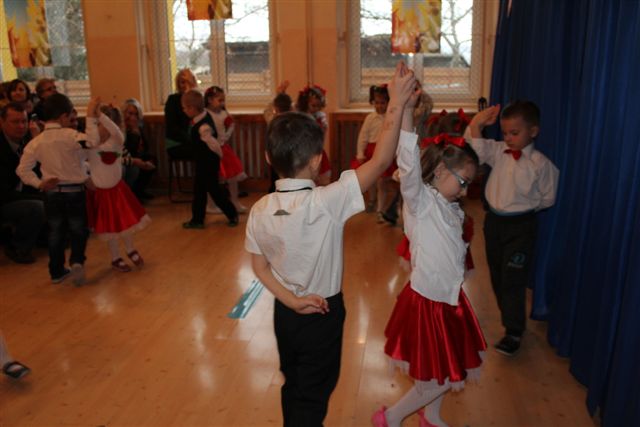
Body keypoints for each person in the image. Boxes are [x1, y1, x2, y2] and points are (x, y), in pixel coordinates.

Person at [245, 62, 417, 427]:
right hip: (323, 311)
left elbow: (259, 268)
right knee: (314, 392)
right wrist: (397, 103)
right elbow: (381, 161)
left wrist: (291, 300)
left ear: (268, 159)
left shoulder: (259, 209)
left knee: (294, 383)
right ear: (316, 160)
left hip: (285, 313)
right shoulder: (327, 202)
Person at [372, 114, 487, 427]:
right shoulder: (420, 202)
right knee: (439, 378)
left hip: (450, 300)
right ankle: (390, 418)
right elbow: (408, 163)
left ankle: (431, 416)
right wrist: (406, 111)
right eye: (462, 182)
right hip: (427, 304)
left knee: (446, 365)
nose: (465, 191)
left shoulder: (450, 207)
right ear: (439, 171)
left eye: (469, 184)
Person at [465, 100, 559, 356]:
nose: (508, 138)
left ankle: (514, 331)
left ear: (533, 131)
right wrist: (477, 123)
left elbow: (548, 198)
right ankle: (509, 319)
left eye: (514, 133)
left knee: (513, 279)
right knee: (497, 275)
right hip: (494, 224)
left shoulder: (541, 164)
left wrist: (523, 209)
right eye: (505, 132)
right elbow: (476, 150)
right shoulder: (498, 151)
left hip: (521, 226)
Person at [17, 94, 101, 285]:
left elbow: (22, 170)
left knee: (56, 232)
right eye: (70, 116)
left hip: (51, 194)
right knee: (78, 229)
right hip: (75, 192)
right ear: (63, 116)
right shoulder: (71, 136)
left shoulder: (36, 142)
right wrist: (90, 117)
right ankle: (77, 261)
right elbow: (92, 142)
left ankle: (56, 271)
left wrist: (39, 184)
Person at [85, 104, 150, 272]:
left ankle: (130, 249)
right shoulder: (91, 146)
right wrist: (92, 117)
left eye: (106, 126)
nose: (103, 130)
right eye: (99, 126)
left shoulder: (116, 142)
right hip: (102, 194)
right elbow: (89, 141)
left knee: (125, 222)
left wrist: (101, 116)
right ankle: (115, 257)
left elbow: (116, 132)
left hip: (118, 191)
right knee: (110, 227)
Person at [180, 90, 238, 229]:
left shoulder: (203, 127)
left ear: (192, 108)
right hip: (203, 162)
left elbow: (214, 144)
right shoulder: (202, 117)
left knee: (214, 190)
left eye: (185, 108)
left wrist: (220, 155)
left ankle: (232, 214)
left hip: (208, 163)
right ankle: (197, 219)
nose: (184, 110)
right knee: (199, 190)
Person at [0, 102, 46, 263]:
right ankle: (18, 247)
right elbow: (3, 193)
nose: (21, 126)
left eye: (24, 121)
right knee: (37, 206)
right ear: (2, 122)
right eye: (15, 122)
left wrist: (38, 141)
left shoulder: (28, 141)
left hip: (21, 194)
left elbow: (40, 171)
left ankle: (43, 238)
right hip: (4, 200)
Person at [204, 86, 247, 213]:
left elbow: (231, 125)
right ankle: (211, 205)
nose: (222, 103)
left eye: (223, 100)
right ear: (210, 100)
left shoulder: (223, 114)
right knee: (212, 178)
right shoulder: (205, 114)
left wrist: (225, 137)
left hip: (223, 149)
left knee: (232, 176)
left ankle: (235, 201)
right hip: (210, 150)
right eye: (220, 100)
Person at [353, 84, 394, 216]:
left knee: (382, 182)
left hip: (385, 151)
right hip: (371, 152)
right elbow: (363, 137)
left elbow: (395, 136)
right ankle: (372, 200)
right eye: (377, 103)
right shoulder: (370, 118)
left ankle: (380, 209)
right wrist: (360, 153)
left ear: (388, 102)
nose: (379, 106)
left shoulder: (391, 117)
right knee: (370, 179)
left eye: (382, 103)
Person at [296, 84, 331, 185]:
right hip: (305, 153)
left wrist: (323, 128)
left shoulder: (320, 117)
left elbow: (322, 137)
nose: (316, 109)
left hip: (318, 151)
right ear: (305, 103)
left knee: (324, 180)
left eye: (319, 106)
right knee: (308, 179)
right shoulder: (301, 118)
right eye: (313, 106)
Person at [122, 98, 156, 201]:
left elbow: (146, 146)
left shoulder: (138, 127)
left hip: (137, 156)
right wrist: (134, 134)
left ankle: (139, 190)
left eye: (136, 114)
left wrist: (146, 161)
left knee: (152, 160)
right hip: (127, 159)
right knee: (135, 168)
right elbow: (129, 150)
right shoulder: (121, 129)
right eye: (130, 113)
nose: (133, 117)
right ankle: (132, 194)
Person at [264, 83, 293, 193]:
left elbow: (267, 111)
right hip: (289, 154)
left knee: (275, 178)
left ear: (275, 107)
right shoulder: (293, 120)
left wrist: (278, 94)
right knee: (288, 177)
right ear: (291, 107)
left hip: (275, 153)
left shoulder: (272, 119)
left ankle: (274, 194)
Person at [164, 69, 197, 160]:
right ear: (178, 84)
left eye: (188, 82)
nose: (186, 85)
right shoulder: (172, 100)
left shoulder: (197, 99)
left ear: (193, 83)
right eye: (182, 82)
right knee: (202, 151)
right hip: (176, 143)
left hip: (193, 141)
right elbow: (172, 127)